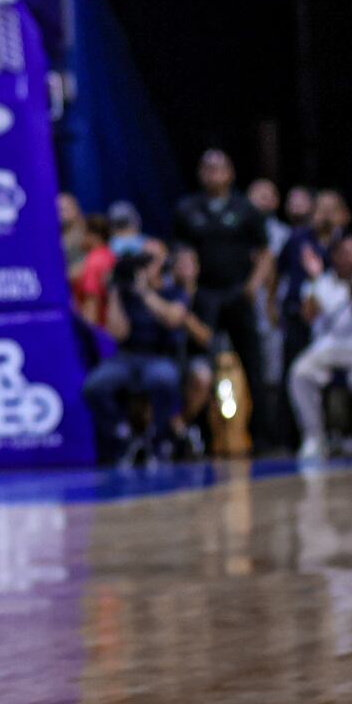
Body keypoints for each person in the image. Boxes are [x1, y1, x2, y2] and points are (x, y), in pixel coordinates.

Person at [171, 149, 274, 440]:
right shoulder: (188, 209)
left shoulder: (245, 208)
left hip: (238, 294)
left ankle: (262, 435)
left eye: (220, 167)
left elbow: (265, 252)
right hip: (205, 297)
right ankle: (203, 435)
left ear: (231, 173)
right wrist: (187, 286)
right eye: (207, 168)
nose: (213, 173)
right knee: (201, 364)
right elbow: (181, 251)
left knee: (252, 363)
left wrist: (254, 286)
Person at [84, 240, 196, 466]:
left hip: (160, 355)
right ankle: (122, 434)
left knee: (163, 379)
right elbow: (118, 334)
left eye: (151, 261)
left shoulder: (172, 290)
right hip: (126, 356)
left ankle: (159, 437)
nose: (145, 266)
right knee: (94, 385)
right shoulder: (126, 293)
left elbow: (174, 319)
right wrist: (115, 292)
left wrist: (145, 292)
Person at [289, 234, 352, 462]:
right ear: (333, 256)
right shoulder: (319, 282)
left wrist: (351, 283)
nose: (348, 257)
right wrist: (313, 280)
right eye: (343, 252)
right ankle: (314, 438)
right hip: (325, 350)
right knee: (299, 372)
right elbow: (309, 316)